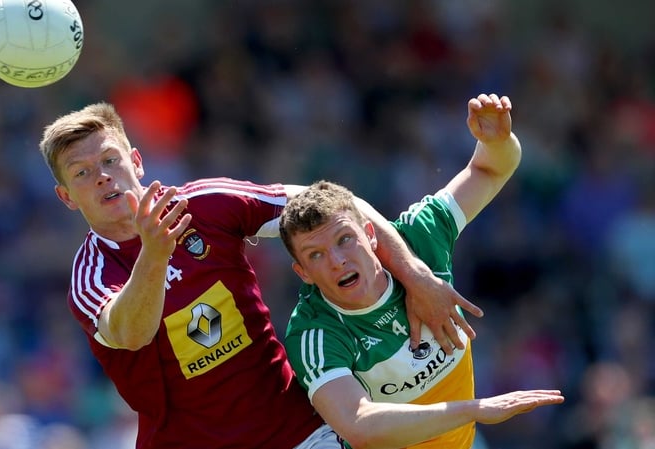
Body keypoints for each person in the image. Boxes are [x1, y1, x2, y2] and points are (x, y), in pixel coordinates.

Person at [37, 101, 484, 449]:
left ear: (135, 161)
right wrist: (154, 256)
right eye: (82, 173)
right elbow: (131, 332)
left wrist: (416, 275)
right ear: (66, 197)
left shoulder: (207, 204)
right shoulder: (91, 274)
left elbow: (335, 207)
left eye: (110, 160)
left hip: (297, 431)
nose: (102, 177)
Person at [279, 94, 565, 449]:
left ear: (370, 234)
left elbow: (489, 169)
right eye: (316, 255)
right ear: (303, 273)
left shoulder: (419, 236)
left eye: (345, 239)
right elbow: (359, 426)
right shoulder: (315, 333)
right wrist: (474, 409)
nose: (337, 260)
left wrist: (498, 141)